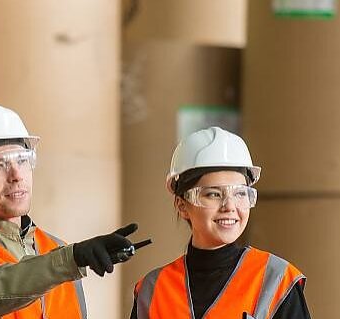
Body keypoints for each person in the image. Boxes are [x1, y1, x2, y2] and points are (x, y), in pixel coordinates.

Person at [0, 102, 141, 319]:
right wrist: (70, 259)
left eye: (22, 160)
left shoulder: (56, 249)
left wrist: (70, 258)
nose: (16, 175)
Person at [131, 127, 311, 319]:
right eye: (214, 194)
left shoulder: (277, 281)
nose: (229, 206)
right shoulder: (152, 291)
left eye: (240, 193)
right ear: (182, 205)